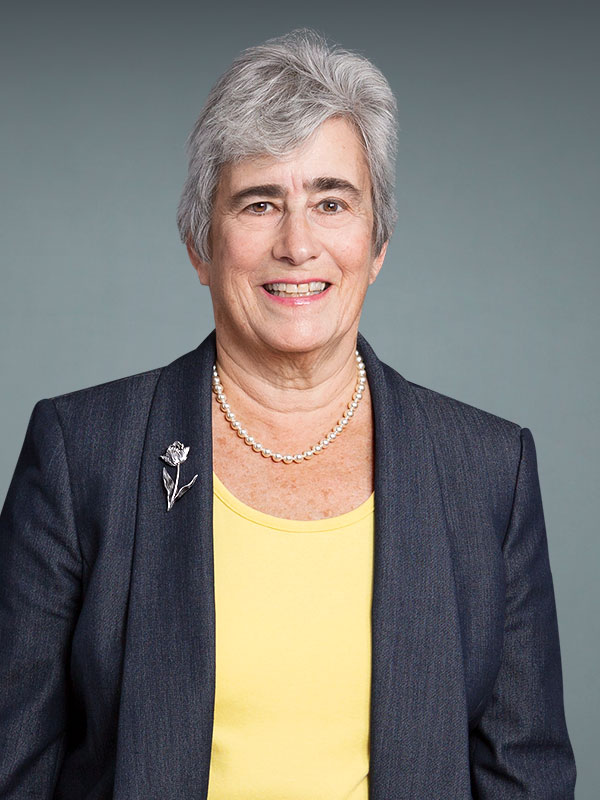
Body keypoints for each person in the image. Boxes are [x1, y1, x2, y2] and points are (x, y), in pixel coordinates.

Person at [0, 28, 576, 799]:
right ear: (200, 244)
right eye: (260, 202)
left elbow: (526, 777)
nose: (297, 243)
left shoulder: (488, 471)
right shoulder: (82, 454)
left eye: (331, 202)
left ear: (377, 242)